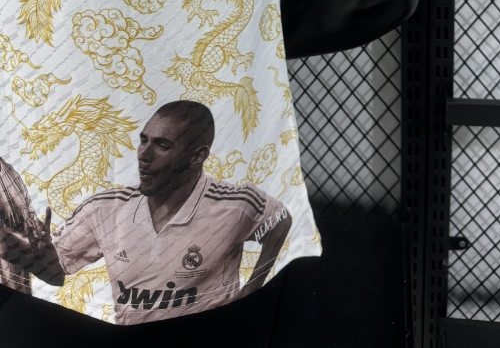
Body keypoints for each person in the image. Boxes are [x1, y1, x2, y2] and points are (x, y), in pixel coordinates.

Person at [0, 101, 291, 325]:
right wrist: (37, 252)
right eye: (143, 141)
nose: (144, 155)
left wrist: (252, 291)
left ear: (197, 156)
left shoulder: (235, 204)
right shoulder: (103, 210)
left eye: (162, 145)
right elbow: (55, 274)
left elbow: (280, 220)